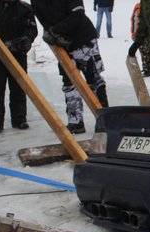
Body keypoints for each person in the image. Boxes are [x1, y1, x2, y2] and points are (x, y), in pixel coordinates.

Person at [32, 0, 109, 134]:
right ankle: (76, 122)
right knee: (69, 83)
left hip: (84, 39)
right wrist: (51, 34)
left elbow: (78, 15)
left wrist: (55, 30)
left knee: (94, 80)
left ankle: (106, 121)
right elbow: (44, 21)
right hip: (63, 45)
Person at [0, 0, 38, 135]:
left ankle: (19, 118)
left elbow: (31, 30)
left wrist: (19, 43)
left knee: (18, 88)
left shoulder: (24, 8)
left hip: (18, 55)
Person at [130, 2, 150, 78]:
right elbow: (134, 20)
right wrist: (134, 33)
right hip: (141, 33)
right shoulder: (138, 6)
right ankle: (146, 69)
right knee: (143, 51)